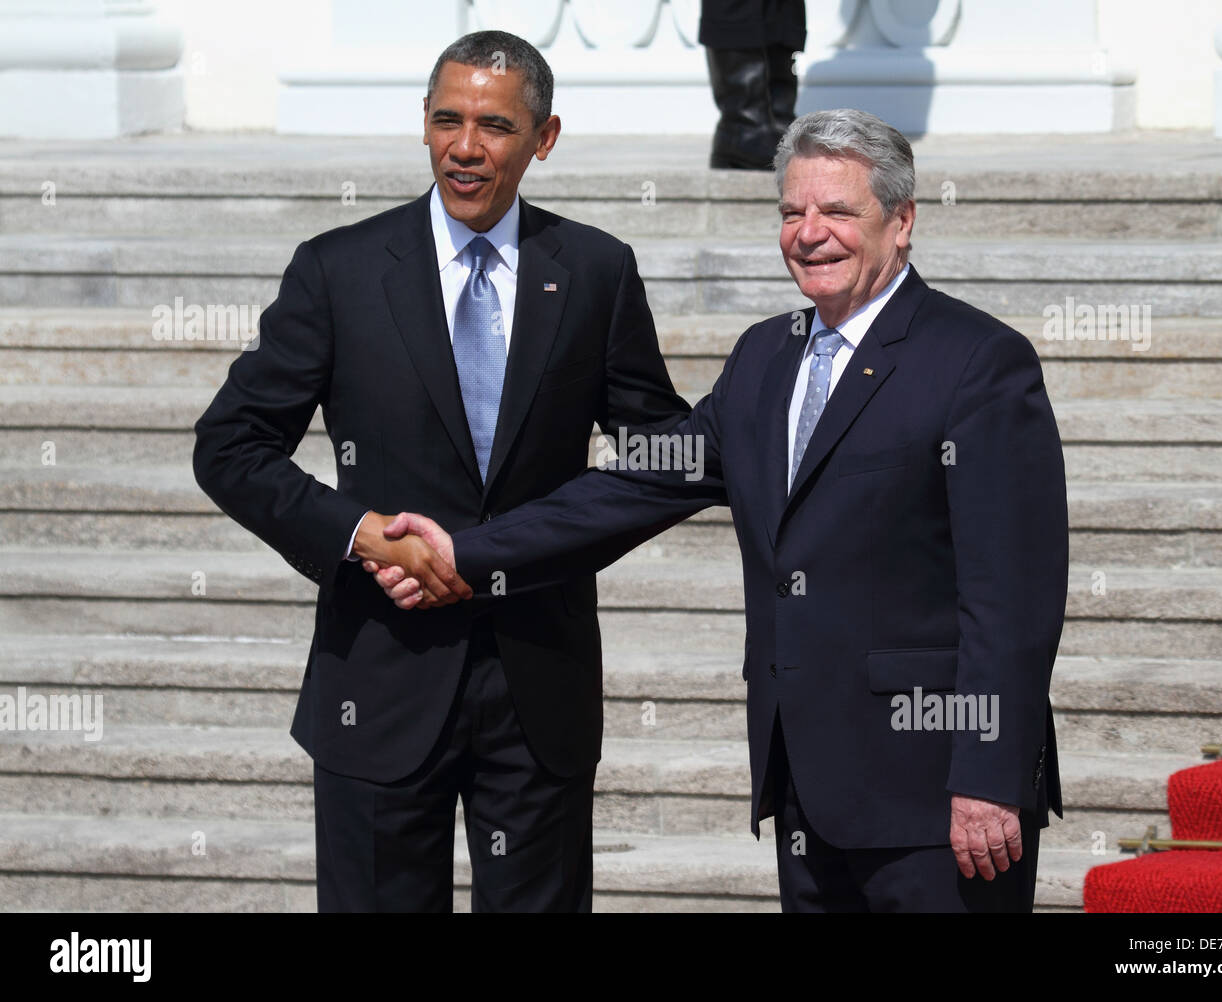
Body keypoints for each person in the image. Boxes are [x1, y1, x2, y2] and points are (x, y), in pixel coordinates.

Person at [368, 109, 1069, 912]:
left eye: (838, 211)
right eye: (792, 212)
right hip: (807, 787)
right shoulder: (765, 357)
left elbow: (1011, 596)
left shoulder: (979, 361)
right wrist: (468, 551)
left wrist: (987, 775)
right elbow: (634, 487)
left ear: (901, 221)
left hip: (936, 799)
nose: (810, 234)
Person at [192, 30, 690, 912]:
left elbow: (664, 461)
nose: (466, 146)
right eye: (446, 120)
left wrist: (514, 551)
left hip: (538, 685)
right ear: (423, 127)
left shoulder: (596, 272)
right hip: (377, 682)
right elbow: (229, 445)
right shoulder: (339, 270)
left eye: (495, 126)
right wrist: (358, 534)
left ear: (544, 138)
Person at [700, 0, 807, 169]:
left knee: (784, 7)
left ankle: (777, 123)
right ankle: (747, 128)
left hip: (777, 134)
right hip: (749, 134)